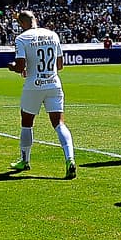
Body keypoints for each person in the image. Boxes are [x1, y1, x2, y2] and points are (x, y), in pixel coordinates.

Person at [7, 10, 77, 178]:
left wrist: (12, 66)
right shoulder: (53, 35)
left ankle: (25, 160)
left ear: (22, 24)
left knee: (27, 122)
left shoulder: (22, 38)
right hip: (54, 84)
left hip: (34, 85)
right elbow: (60, 65)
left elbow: (19, 66)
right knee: (59, 124)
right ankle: (70, 159)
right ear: (35, 19)